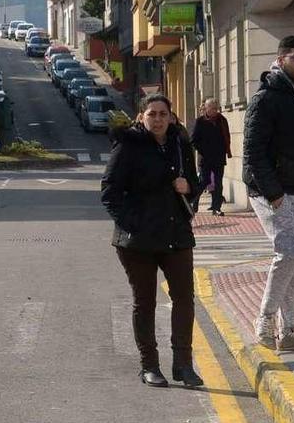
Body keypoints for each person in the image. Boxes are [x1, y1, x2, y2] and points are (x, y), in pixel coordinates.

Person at [100, 94, 204, 388]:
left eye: (163, 114)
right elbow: (109, 193)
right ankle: (149, 366)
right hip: (138, 242)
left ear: (171, 117)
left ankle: (183, 365)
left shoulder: (181, 144)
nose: (158, 119)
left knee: (184, 299)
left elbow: (193, 184)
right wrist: (133, 225)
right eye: (152, 114)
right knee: (144, 303)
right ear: (141, 117)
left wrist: (190, 188)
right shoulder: (129, 144)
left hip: (176, 234)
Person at [243, 35, 294, 352]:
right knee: (288, 253)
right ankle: (264, 318)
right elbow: (252, 152)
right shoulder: (265, 98)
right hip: (271, 191)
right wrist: (273, 191)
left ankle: (288, 330)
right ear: (281, 60)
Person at [190, 98, 232, 215]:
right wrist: (203, 151)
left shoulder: (222, 120)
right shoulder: (200, 121)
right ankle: (194, 201)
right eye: (212, 108)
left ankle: (216, 207)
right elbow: (193, 140)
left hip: (219, 157)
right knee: (204, 181)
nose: (215, 110)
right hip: (205, 158)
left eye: (216, 108)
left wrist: (225, 150)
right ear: (206, 108)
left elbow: (227, 136)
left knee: (218, 183)